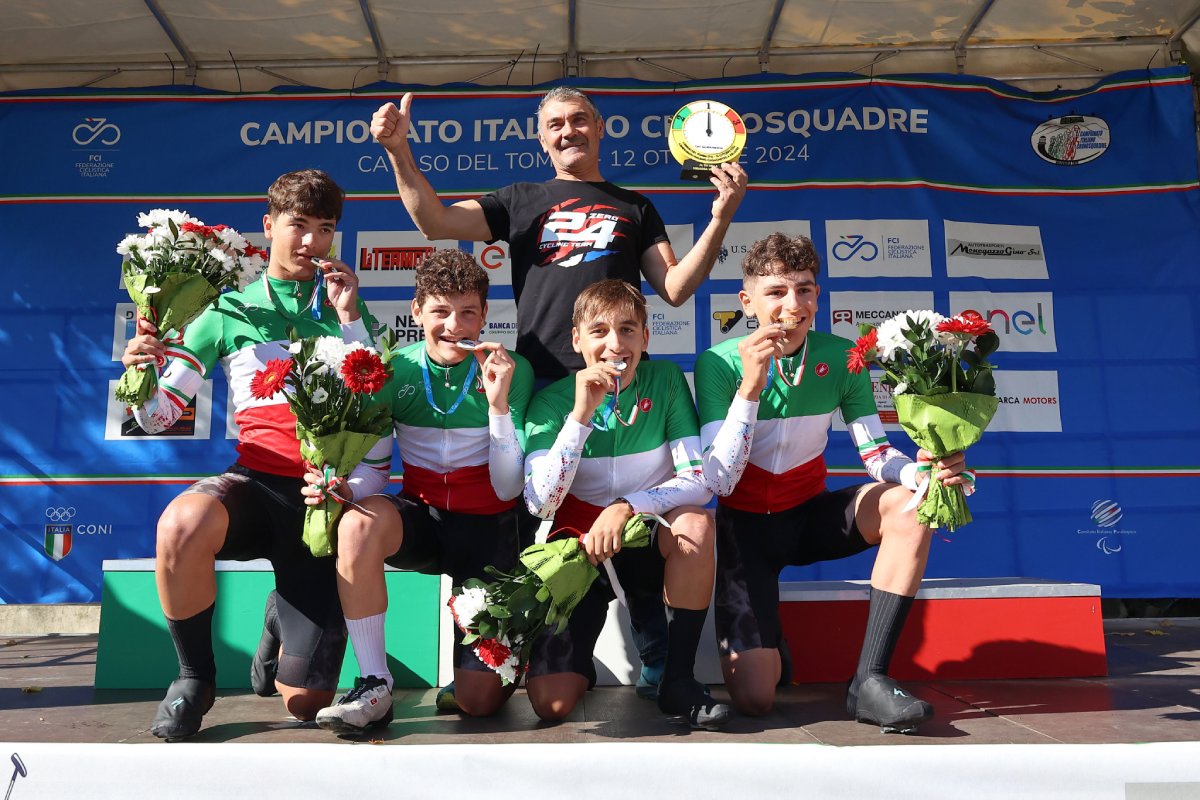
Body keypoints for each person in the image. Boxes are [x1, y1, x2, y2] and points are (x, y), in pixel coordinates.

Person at [370, 85, 747, 697]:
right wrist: (398, 154)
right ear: (540, 137)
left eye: (578, 120)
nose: (567, 131)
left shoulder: (634, 205)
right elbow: (436, 221)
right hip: (543, 385)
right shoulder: (520, 200)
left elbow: (675, 288)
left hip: (624, 383)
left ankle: (658, 654)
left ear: (600, 127)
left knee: (641, 524)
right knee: (529, 528)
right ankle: (509, 660)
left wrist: (721, 217)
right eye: (554, 125)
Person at [120, 169, 374, 739]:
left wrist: (352, 317)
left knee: (304, 703)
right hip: (254, 484)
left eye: (324, 229)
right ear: (269, 226)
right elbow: (157, 417)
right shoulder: (223, 313)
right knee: (181, 525)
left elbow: (375, 395)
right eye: (297, 226)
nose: (310, 242)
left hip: (320, 500)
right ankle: (194, 679)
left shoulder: (343, 306)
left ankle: (277, 618)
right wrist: (138, 373)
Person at [695, 233, 973, 734]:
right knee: (757, 697)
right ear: (747, 301)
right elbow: (721, 477)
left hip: (808, 517)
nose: (792, 304)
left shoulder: (842, 356)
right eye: (777, 291)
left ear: (818, 297)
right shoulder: (719, 363)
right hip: (746, 532)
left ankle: (869, 679)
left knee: (911, 506)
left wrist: (921, 473)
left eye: (804, 290)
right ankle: (770, 644)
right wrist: (750, 388)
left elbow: (876, 453)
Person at [306, 249, 534, 734]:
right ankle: (374, 683)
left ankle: (505, 654)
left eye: (468, 311)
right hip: (423, 520)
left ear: (485, 314)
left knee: (478, 702)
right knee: (358, 522)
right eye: (440, 311)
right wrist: (345, 487)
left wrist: (497, 406)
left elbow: (508, 485)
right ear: (416, 312)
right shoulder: (394, 370)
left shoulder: (513, 371)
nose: (455, 324)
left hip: (490, 528)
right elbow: (372, 471)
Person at [522, 279, 728, 730]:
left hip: (645, 532)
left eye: (628, 330)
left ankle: (677, 678)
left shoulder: (668, 381)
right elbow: (541, 503)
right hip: (580, 546)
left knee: (695, 525)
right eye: (599, 331)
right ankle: (588, 658)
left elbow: (699, 481)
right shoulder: (547, 403)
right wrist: (579, 417)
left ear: (646, 337)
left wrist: (626, 505)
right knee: (550, 705)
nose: (615, 344)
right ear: (576, 340)